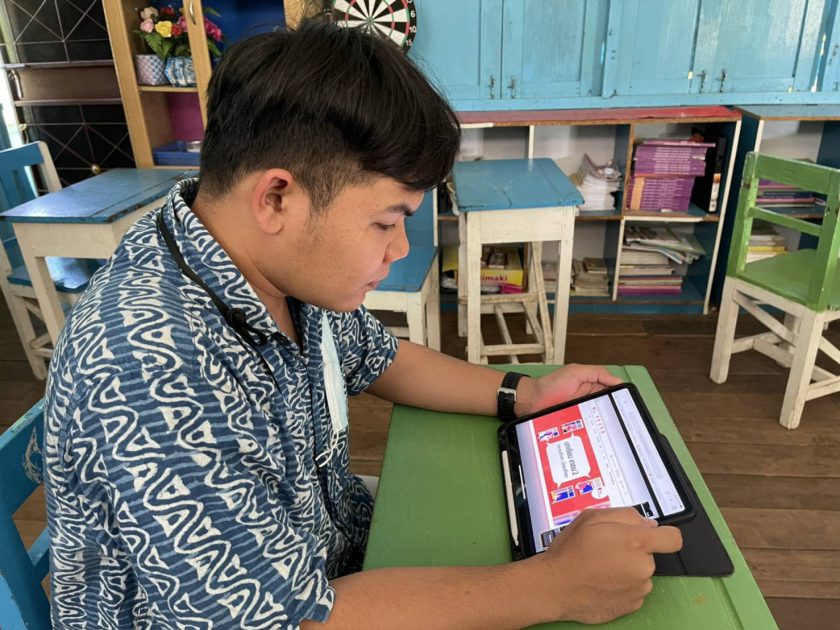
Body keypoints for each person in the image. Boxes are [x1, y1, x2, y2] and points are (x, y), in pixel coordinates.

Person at [44, 20, 681, 629]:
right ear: (276, 198)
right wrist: (554, 586)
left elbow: (383, 359)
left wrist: (525, 393)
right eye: (385, 221)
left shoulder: (274, 267)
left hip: (328, 545)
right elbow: (284, 621)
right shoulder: (146, 361)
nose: (399, 248)